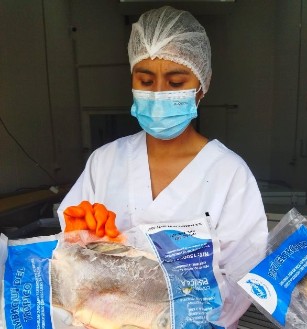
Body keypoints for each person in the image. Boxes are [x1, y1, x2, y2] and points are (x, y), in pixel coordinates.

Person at [58, 6, 268, 328]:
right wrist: (79, 236)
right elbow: (69, 265)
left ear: (202, 84)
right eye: (145, 80)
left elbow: (244, 279)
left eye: (175, 82)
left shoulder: (229, 174)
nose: (158, 94)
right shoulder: (105, 161)